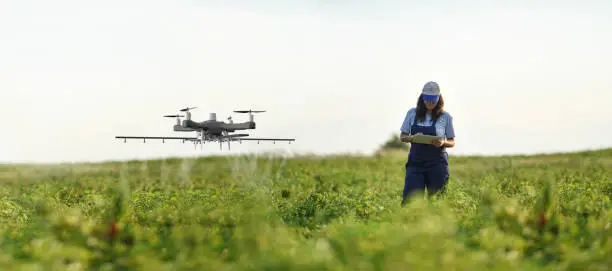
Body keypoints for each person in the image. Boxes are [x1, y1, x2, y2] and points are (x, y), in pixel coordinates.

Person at [399, 81, 455, 204]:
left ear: (439, 99)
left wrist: (442, 143)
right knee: (410, 200)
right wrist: (413, 138)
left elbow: (452, 141)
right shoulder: (412, 113)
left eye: (433, 99)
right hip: (415, 164)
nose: (430, 102)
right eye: (427, 98)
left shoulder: (445, 117)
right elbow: (402, 136)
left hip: (437, 165)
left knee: (438, 202)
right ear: (422, 98)